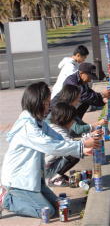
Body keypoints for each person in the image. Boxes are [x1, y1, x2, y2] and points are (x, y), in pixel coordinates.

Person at [0, 82, 98, 218]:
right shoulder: (27, 126)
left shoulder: (37, 121)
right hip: (18, 182)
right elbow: (50, 146)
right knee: (48, 211)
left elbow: (56, 137)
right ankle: (6, 199)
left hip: (33, 178)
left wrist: (81, 149)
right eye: (46, 103)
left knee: (58, 207)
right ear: (37, 103)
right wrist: (80, 146)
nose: (49, 106)